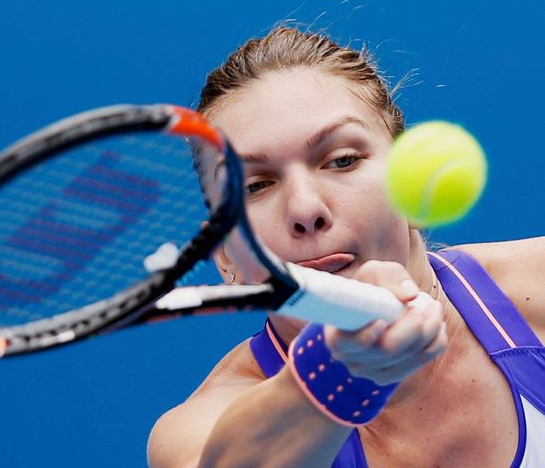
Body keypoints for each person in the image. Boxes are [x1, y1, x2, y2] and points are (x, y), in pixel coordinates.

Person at [147, 26, 545, 468]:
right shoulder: (196, 430)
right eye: (256, 186)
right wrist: (335, 373)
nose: (305, 208)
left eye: (342, 160)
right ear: (225, 253)